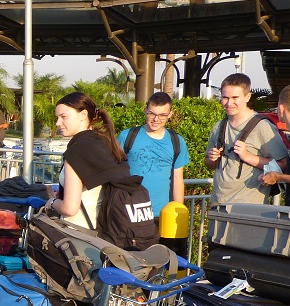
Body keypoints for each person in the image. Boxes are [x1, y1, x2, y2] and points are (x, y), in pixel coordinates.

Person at [45, 91, 126, 229]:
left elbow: (70, 208)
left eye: (64, 117)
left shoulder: (77, 150)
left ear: (83, 115)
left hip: (79, 232)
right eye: (57, 118)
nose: (58, 123)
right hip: (104, 230)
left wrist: (52, 202)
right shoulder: (104, 141)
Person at [205, 73, 288, 205]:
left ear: (247, 97)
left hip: (249, 205)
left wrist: (247, 156)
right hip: (218, 202)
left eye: (235, 98)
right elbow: (210, 165)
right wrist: (212, 158)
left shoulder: (263, 126)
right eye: (225, 97)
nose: (229, 103)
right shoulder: (218, 126)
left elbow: (283, 164)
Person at [117, 92, 190, 218]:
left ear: (170, 114)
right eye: (152, 114)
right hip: (131, 211)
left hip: (163, 213)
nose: (156, 119)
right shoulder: (127, 136)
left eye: (162, 115)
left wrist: (178, 213)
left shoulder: (177, 141)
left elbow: (178, 179)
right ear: (145, 111)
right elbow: (114, 170)